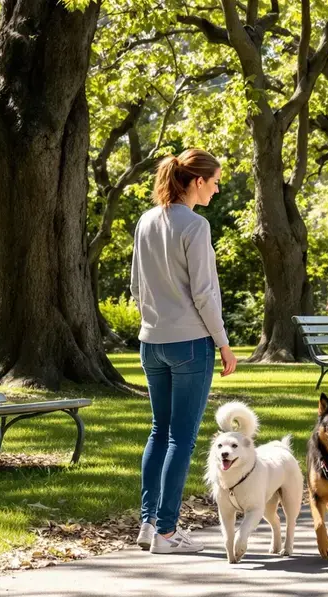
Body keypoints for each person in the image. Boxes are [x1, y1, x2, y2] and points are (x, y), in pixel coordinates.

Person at [130, 149, 237, 555]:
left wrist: (153, 322)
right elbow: (204, 293)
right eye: (215, 182)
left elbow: (136, 285)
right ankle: (167, 532)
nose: (217, 189)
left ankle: (148, 522)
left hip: (151, 342)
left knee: (159, 431)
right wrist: (223, 342)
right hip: (191, 344)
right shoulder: (195, 225)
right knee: (181, 438)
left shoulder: (146, 221)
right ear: (197, 181)